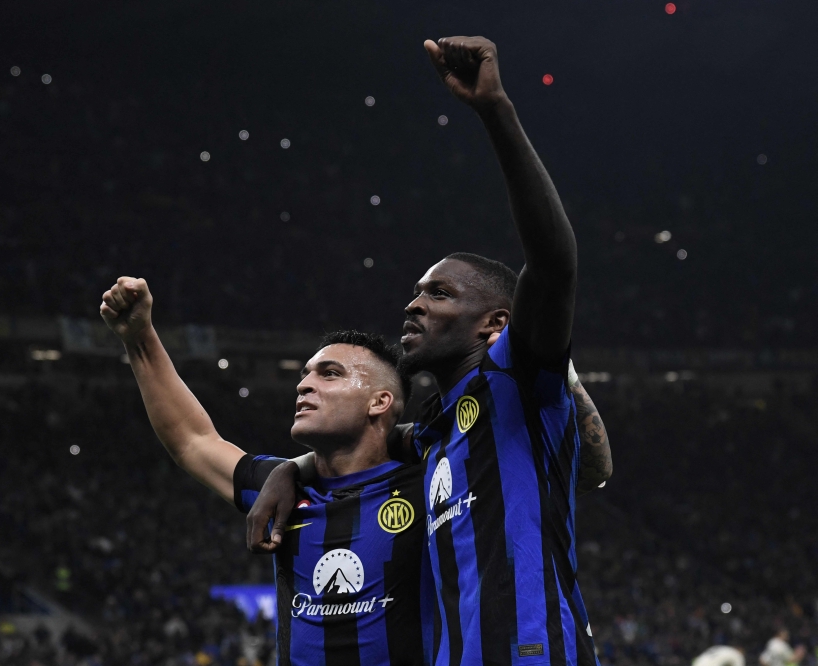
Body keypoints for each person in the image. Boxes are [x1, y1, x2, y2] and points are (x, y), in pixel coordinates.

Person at [246, 35, 610, 666]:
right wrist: (289, 469)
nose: (413, 306)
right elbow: (355, 448)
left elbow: (554, 263)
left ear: (493, 324)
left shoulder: (517, 381)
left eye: (439, 294)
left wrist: (496, 111)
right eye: (415, 292)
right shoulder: (433, 432)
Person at [99, 276, 431, 665]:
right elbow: (192, 441)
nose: (304, 385)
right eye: (305, 373)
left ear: (380, 402)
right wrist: (139, 338)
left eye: (329, 373)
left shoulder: (430, 482)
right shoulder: (283, 490)